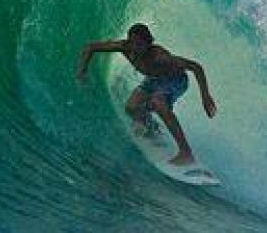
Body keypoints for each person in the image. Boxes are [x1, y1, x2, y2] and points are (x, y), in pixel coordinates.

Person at [76, 23, 217, 165]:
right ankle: (151, 129)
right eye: (132, 43)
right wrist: (81, 72)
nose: (135, 47)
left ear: (148, 43)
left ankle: (186, 153)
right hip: (153, 80)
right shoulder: (125, 47)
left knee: (158, 103)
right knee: (131, 107)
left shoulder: (159, 57)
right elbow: (90, 47)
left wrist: (205, 97)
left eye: (139, 44)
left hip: (175, 80)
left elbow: (195, 67)